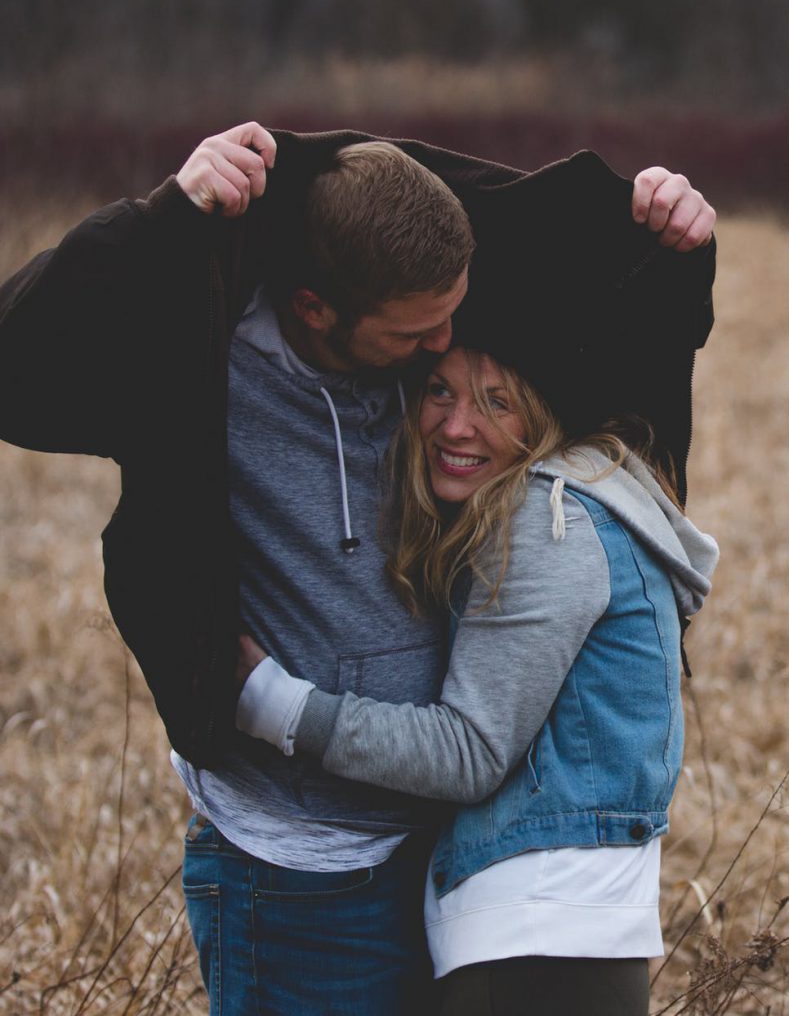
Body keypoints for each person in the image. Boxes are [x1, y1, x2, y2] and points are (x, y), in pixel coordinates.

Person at [0, 121, 716, 1015]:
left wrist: (677, 237)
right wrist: (162, 218)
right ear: (314, 309)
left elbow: (598, 305)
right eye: (419, 336)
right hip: (297, 866)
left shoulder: (418, 334)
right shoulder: (197, 361)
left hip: (437, 856)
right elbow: (17, 357)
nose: (445, 344)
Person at [234, 342, 719, 1016]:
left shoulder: (550, 522)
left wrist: (272, 705)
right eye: (439, 391)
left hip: (534, 943)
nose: (457, 425)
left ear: (544, 414)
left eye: (497, 402)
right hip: (567, 935)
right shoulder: (589, 497)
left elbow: (469, 753)